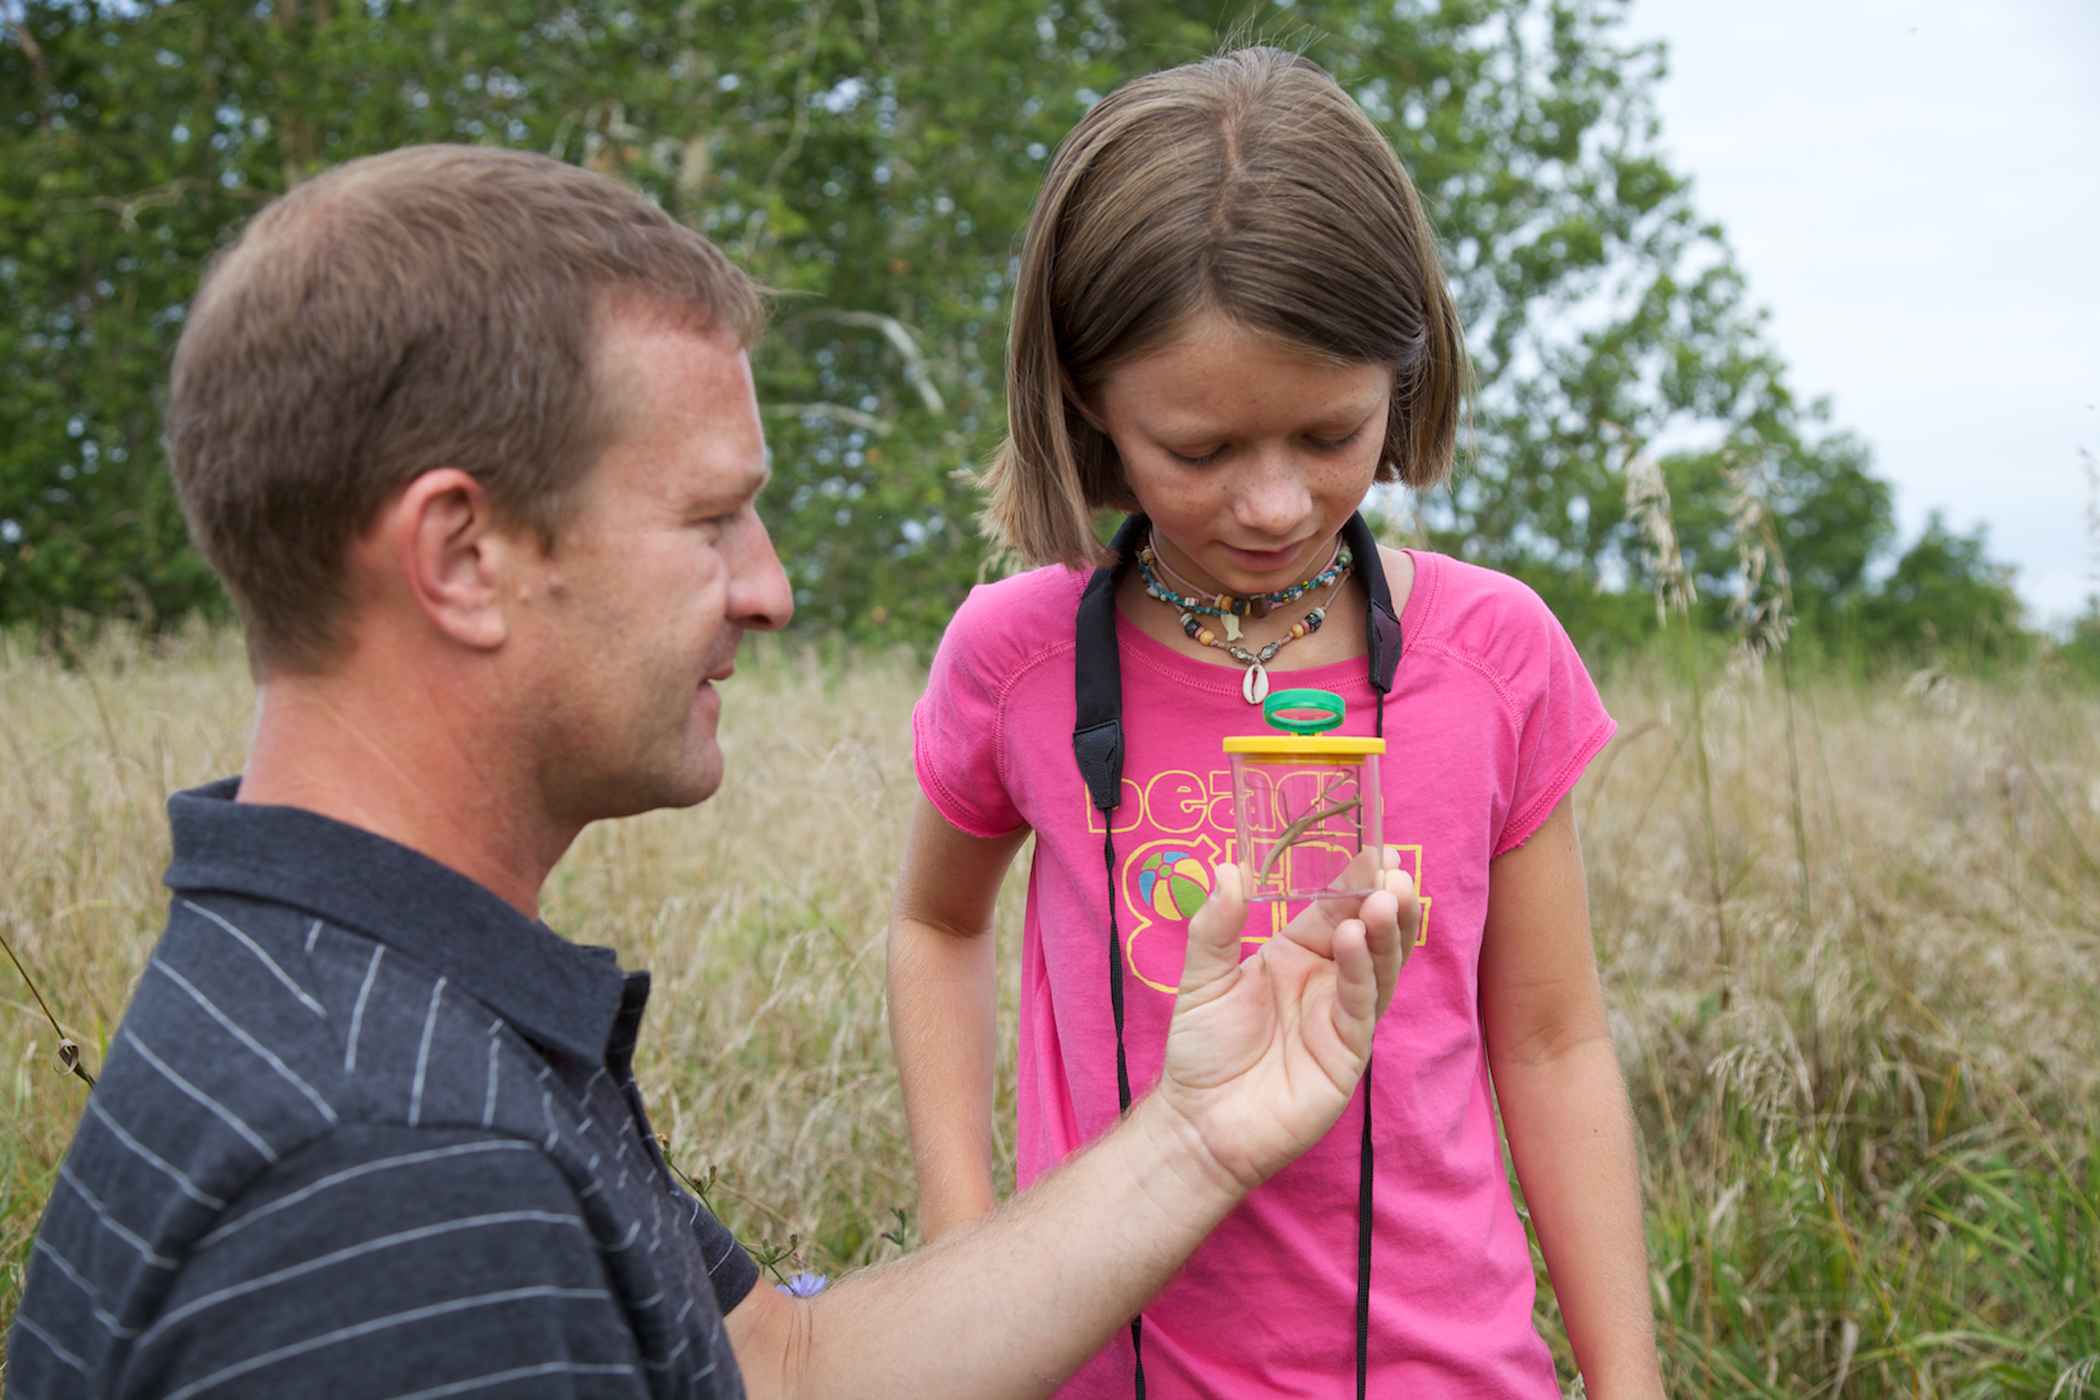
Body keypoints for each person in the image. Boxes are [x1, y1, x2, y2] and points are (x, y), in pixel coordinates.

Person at [4, 144, 1416, 1400]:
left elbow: (787, 1366)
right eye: (716, 518)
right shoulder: (401, 1190)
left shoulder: (373, 998)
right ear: (461, 556)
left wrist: (1198, 1137)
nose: (772, 589)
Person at [891, 47, 1665, 1398]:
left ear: (1405, 377)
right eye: (1199, 450)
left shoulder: (1494, 656)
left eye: (1330, 434)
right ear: (1085, 402)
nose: (1270, 505)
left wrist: (1629, 1383)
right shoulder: (1014, 658)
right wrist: (968, 1264)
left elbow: (1550, 1042)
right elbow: (935, 925)